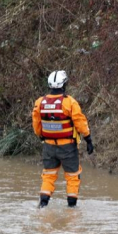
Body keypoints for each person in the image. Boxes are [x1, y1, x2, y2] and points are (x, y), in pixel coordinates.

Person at [32, 70, 94, 207]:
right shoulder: (69, 102)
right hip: (68, 147)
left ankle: (43, 205)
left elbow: (36, 125)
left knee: (48, 176)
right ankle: (71, 209)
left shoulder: (40, 102)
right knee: (72, 177)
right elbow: (80, 122)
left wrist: (42, 136)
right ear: (64, 84)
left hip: (48, 146)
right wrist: (88, 139)